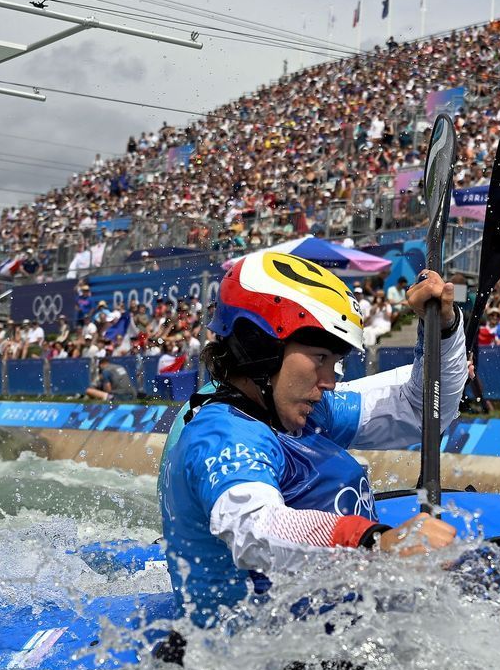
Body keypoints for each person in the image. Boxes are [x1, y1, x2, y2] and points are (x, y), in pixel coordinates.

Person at [157, 250, 463, 628]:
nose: (330, 381)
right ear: (261, 347)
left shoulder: (304, 409)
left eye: (333, 363)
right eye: (319, 358)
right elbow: (257, 530)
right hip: (254, 659)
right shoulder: (221, 433)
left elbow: (418, 410)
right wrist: (377, 543)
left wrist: (443, 329)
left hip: (333, 630)